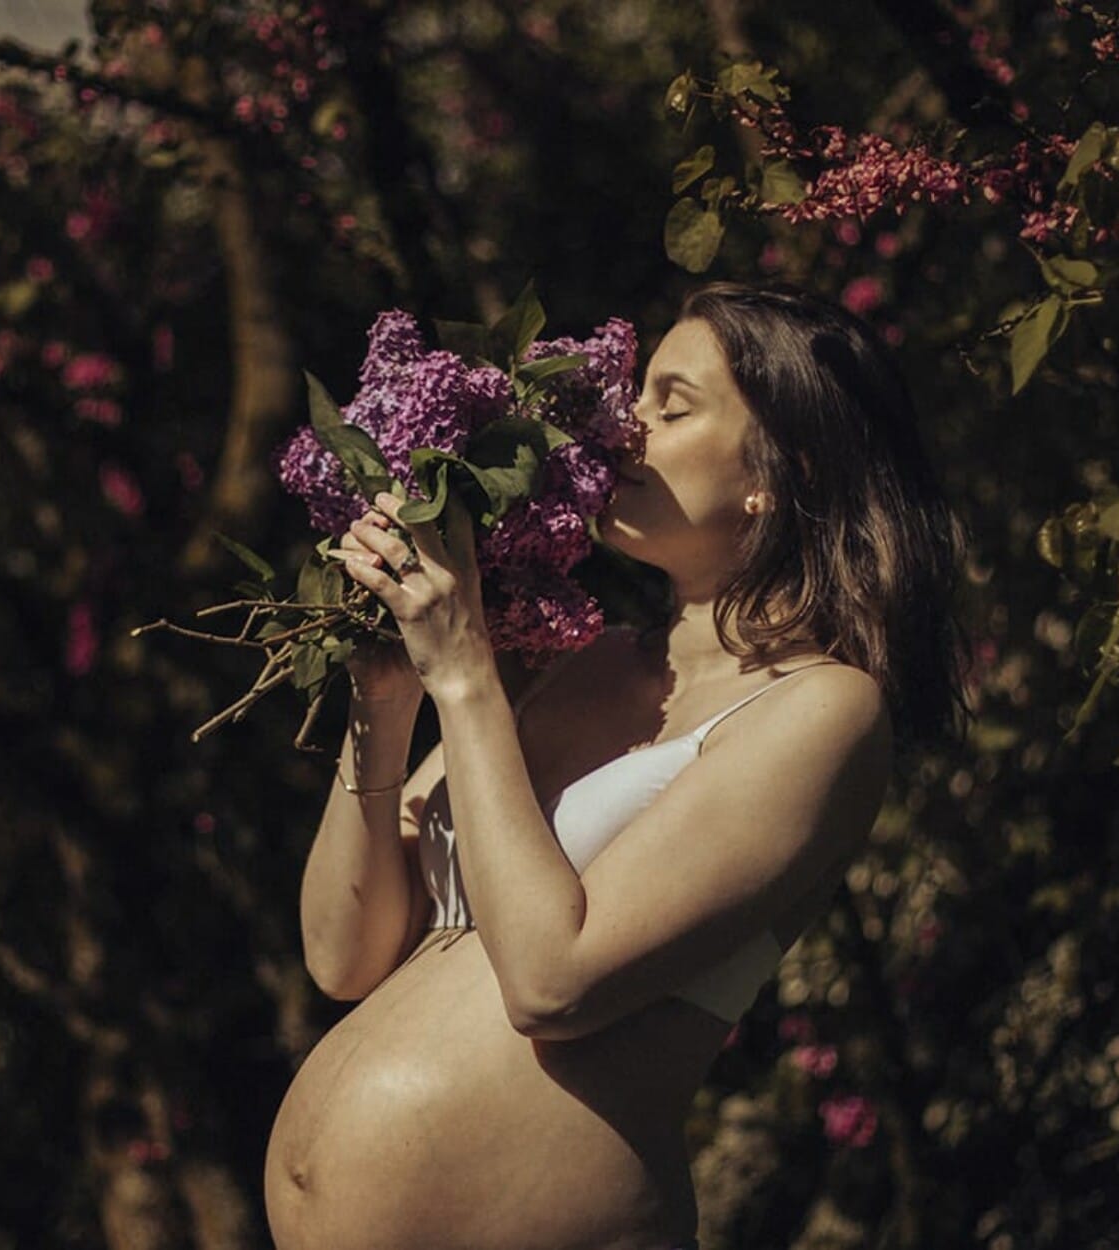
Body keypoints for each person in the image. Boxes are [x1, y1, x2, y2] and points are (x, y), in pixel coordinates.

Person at [263, 281, 971, 1250]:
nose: (618, 425)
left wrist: (465, 674)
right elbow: (343, 956)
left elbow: (555, 983)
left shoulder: (823, 709)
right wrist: (385, 706)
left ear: (783, 466)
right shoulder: (588, 661)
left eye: (669, 405)